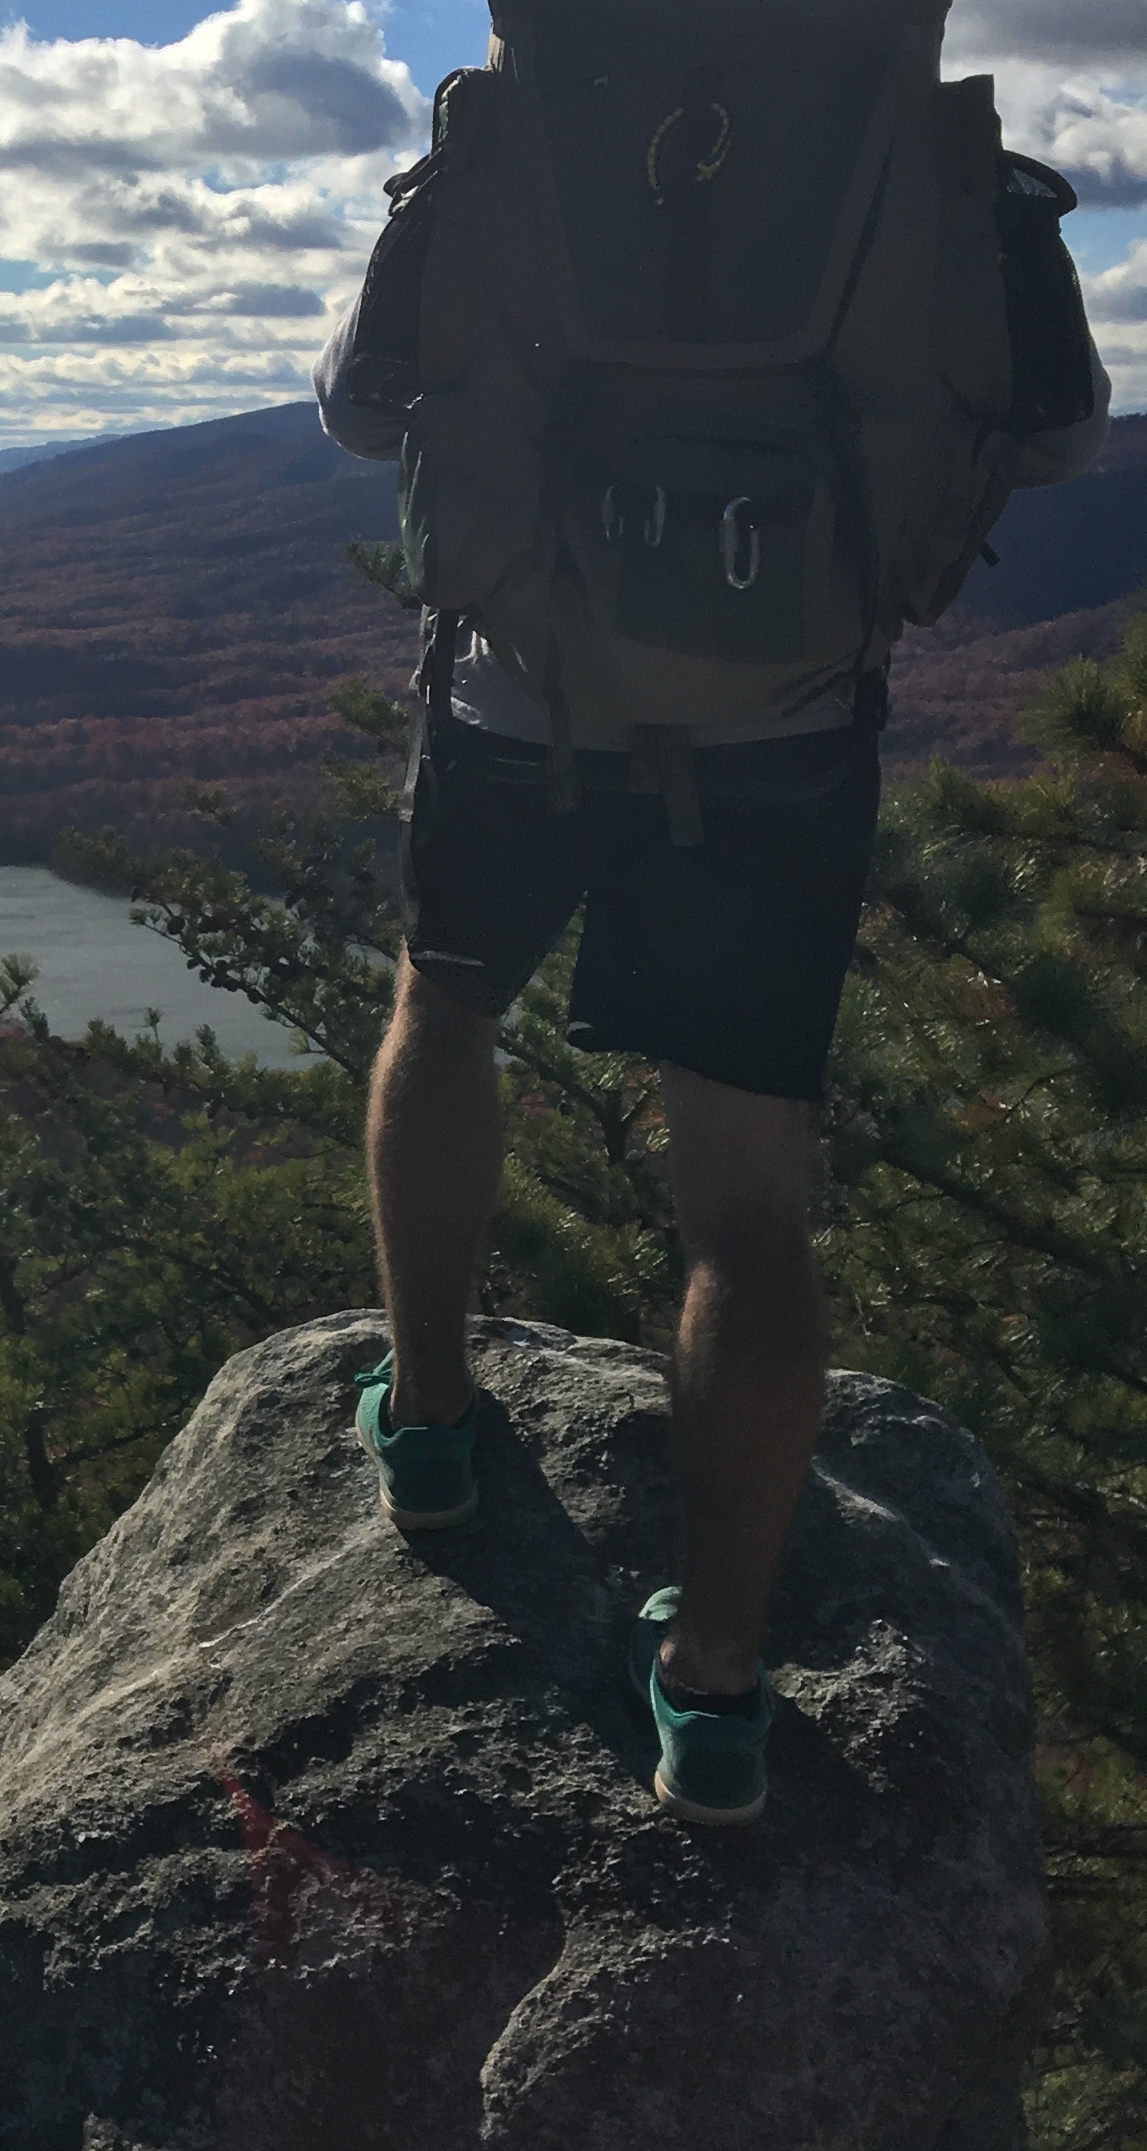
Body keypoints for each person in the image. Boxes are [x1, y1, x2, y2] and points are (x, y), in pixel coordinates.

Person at [313, 168, 1111, 1828]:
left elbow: (358, 408)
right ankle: (718, 1694)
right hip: (787, 719)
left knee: (446, 1014)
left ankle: (436, 1428)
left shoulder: (508, 138)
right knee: (745, 1203)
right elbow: (1052, 436)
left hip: (518, 691)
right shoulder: (918, 152)